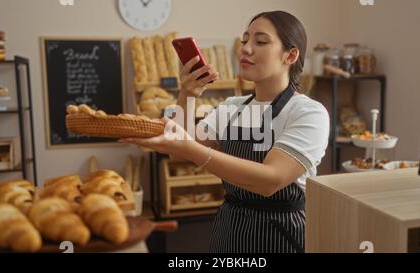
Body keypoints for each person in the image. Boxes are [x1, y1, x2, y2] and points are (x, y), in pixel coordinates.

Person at [121, 10, 330, 253]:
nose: (246, 48)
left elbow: (270, 180)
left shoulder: (308, 113)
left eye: (260, 41)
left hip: (281, 237)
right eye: (245, 40)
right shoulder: (232, 107)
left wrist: (190, 148)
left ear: (290, 55)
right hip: (231, 232)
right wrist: (187, 94)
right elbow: (180, 154)